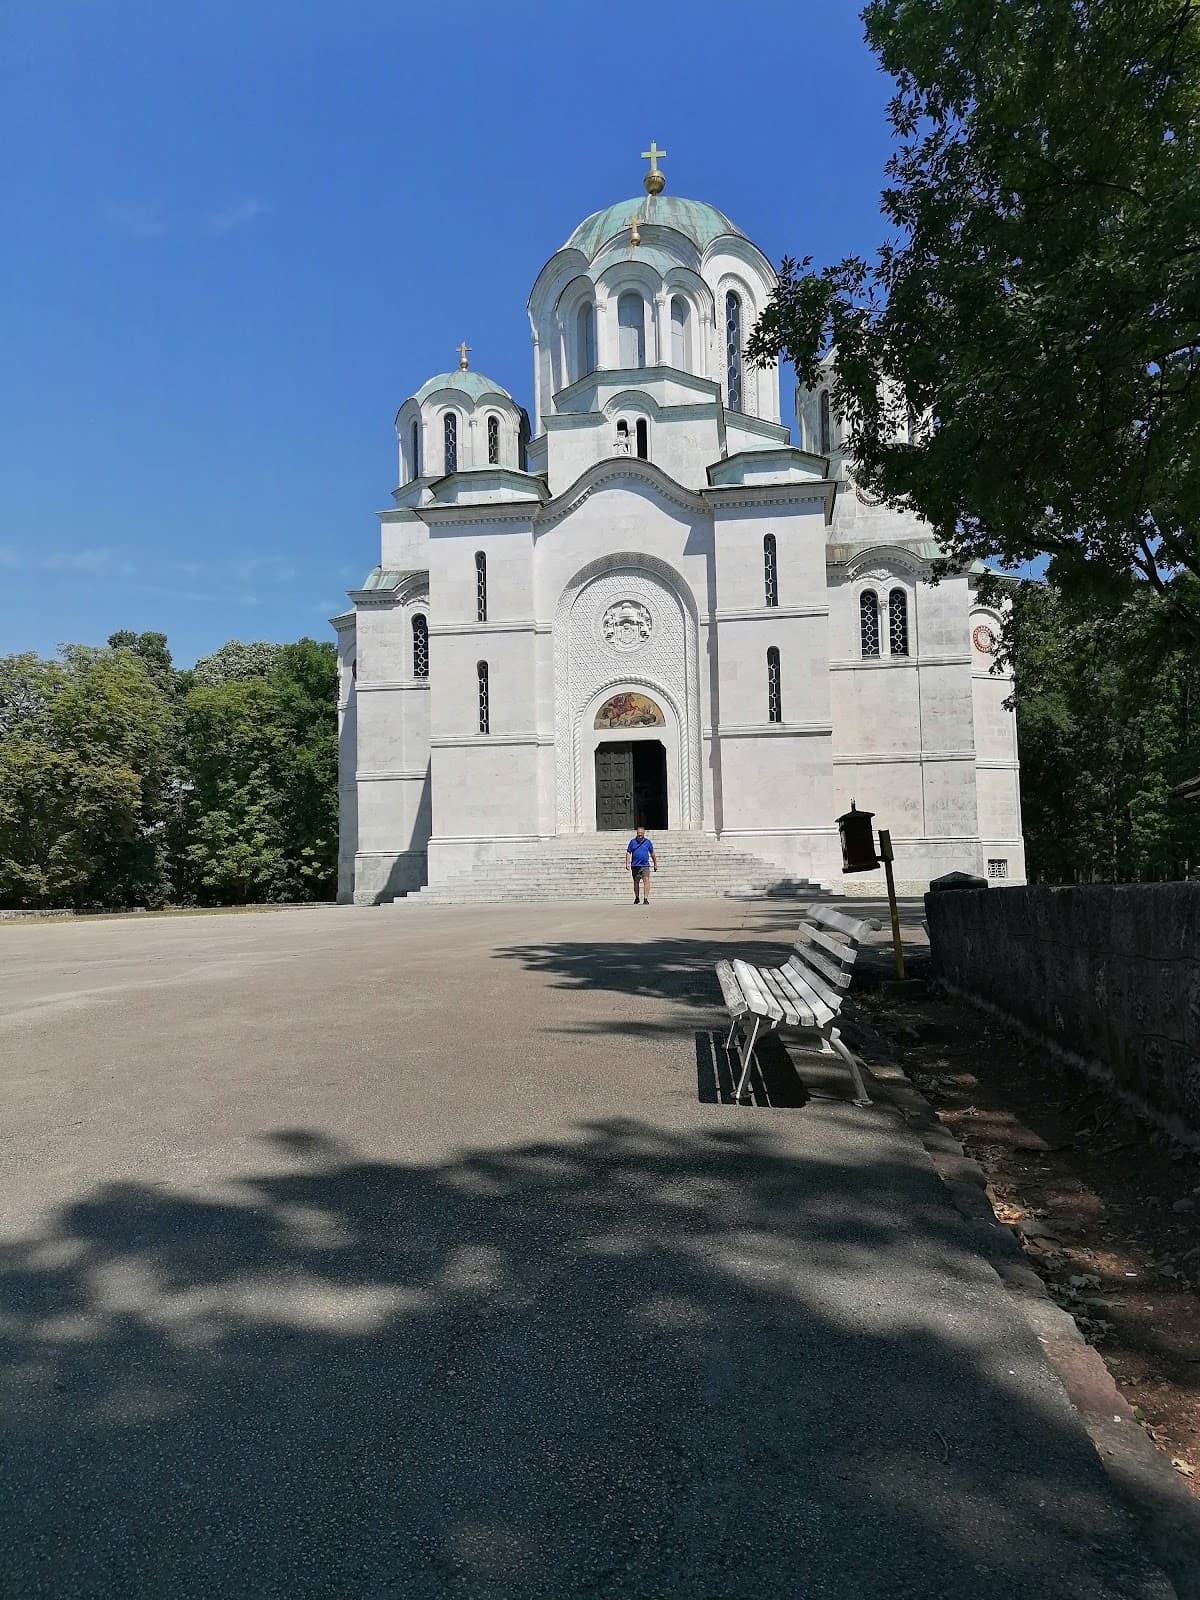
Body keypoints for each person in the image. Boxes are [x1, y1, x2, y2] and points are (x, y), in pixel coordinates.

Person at [625, 826, 657, 906]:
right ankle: (637, 897)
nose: (639, 835)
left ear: (644, 833)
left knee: (646, 880)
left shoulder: (648, 842)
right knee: (636, 882)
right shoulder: (632, 842)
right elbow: (628, 852)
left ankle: (645, 898)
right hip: (635, 865)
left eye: (641, 833)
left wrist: (655, 864)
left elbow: (652, 853)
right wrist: (627, 863)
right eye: (638, 833)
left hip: (645, 865)